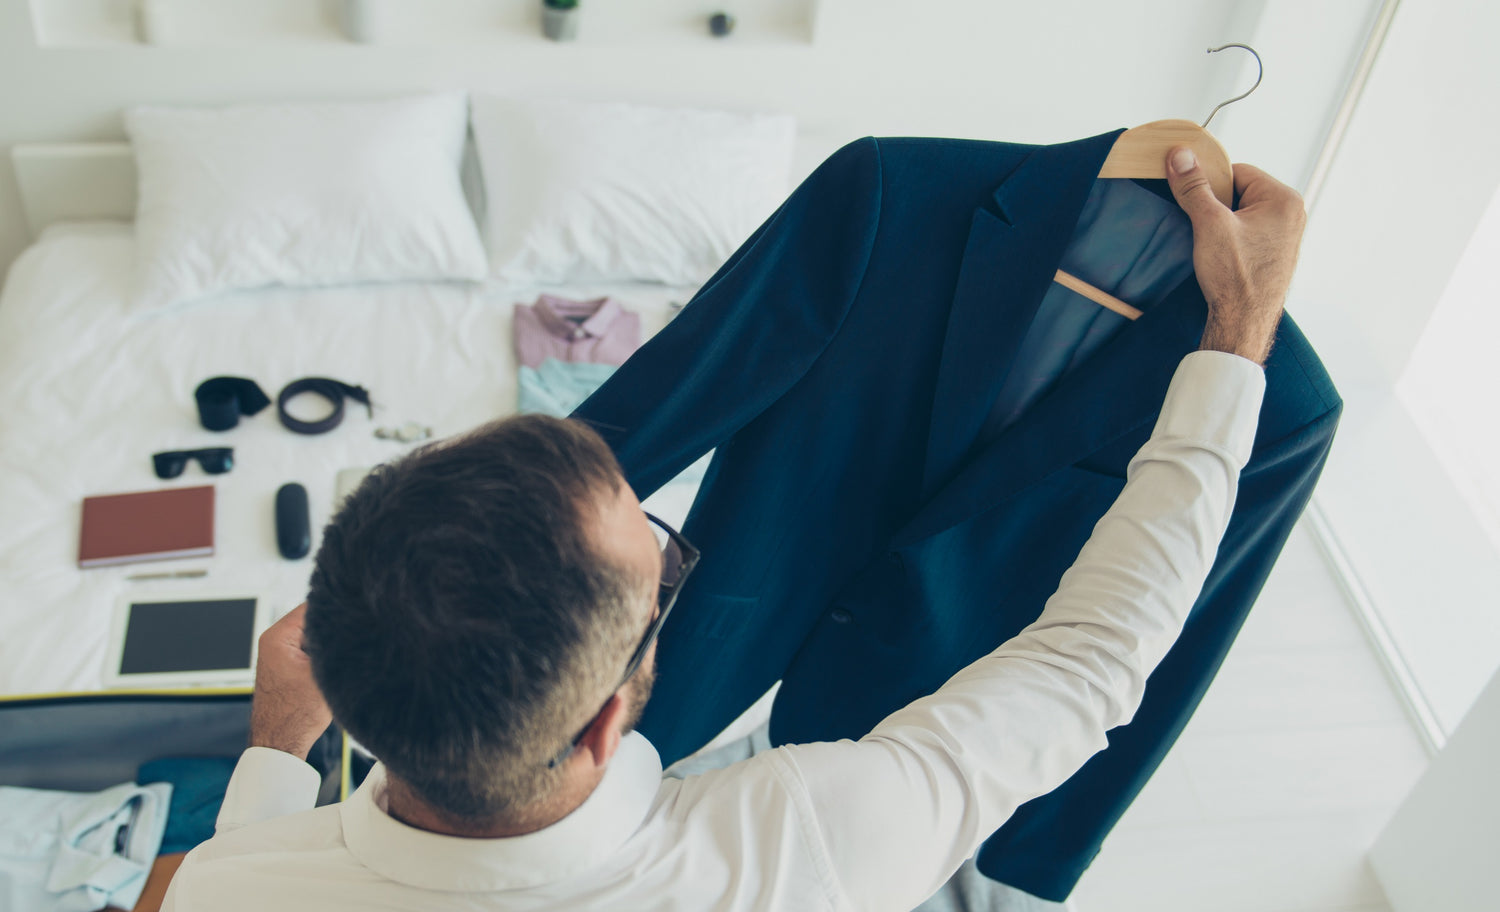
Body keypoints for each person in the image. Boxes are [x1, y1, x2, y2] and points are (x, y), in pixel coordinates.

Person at [160, 147, 1306, 911]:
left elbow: (237, 875)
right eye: (658, 561)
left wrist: (274, 756)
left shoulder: (224, 887)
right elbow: (1094, 658)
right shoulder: (812, 845)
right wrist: (1237, 340)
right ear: (604, 721)